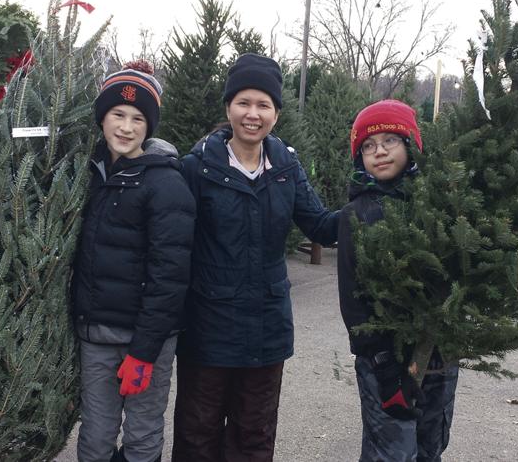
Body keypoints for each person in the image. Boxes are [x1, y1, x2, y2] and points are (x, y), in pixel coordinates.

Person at [172, 53, 339, 461]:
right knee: (198, 436)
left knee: (255, 437)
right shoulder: (197, 169)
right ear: (228, 107)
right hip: (207, 331)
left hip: (267, 331)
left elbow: (320, 225)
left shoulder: (286, 168)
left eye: (263, 105)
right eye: (244, 102)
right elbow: (173, 245)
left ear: (276, 114)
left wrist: (373, 201)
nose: (253, 114)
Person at [71, 60, 195, 462]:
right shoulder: (86, 176)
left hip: (148, 342)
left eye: (138, 118)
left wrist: (144, 350)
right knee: (96, 433)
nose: (126, 127)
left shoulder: (165, 183)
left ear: (149, 126)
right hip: (96, 335)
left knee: (142, 433)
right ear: (102, 118)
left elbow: (170, 275)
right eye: (117, 115)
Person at [337, 99, 459, 462]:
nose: (380, 152)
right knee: (391, 451)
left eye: (390, 140)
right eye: (369, 147)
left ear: (410, 144)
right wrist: (384, 365)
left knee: (430, 446)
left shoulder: (438, 206)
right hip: (383, 364)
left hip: (439, 355)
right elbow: (353, 300)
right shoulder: (355, 215)